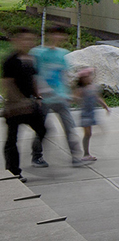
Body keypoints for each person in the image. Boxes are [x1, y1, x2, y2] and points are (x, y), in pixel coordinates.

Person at [32, 26, 82, 166]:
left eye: (61, 35)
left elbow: (63, 75)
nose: (58, 38)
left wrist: (69, 93)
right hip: (44, 98)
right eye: (55, 34)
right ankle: (37, 156)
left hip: (60, 97)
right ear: (49, 35)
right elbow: (34, 75)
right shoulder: (38, 53)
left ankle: (76, 157)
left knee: (69, 127)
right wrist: (37, 95)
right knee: (41, 129)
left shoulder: (63, 54)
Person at [3, 29, 48, 181]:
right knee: (12, 140)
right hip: (15, 108)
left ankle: (36, 154)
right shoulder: (10, 61)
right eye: (25, 39)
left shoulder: (30, 58)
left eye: (31, 39)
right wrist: (20, 101)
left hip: (30, 104)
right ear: (16, 40)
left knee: (43, 129)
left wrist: (37, 96)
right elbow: (8, 84)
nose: (28, 42)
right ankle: (13, 172)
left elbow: (33, 79)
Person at [72, 68, 106, 162]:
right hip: (85, 114)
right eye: (86, 77)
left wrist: (105, 106)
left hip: (92, 114)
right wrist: (76, 98)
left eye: (89, 76)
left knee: (91, 133)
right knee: (87, 134)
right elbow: (75, 97)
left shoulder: (93, 87)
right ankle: (86, 154)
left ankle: (87, 153)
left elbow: (97, 98)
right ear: (82, 80)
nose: (89, 78)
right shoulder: (81, 89)